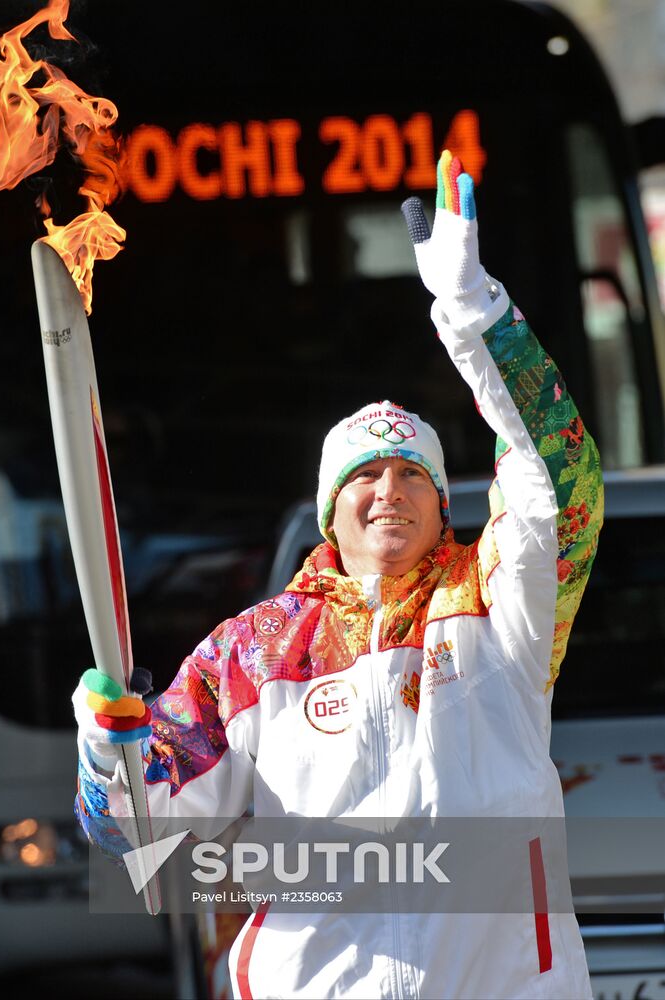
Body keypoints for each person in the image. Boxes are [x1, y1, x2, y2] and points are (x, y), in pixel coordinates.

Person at [73, 151, 603, 999]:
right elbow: (136, 832)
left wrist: (473, 311)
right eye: (365, 476)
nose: (389, 490)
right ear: (331, 509)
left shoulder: (499, 603)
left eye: (412, 475)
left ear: (442, 505)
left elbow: (558, 476)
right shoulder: (250, 652)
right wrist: (110, 752)